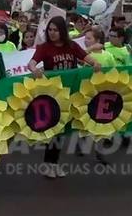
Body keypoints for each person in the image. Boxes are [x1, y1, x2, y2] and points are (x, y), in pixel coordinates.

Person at [28, 16, 101, 179]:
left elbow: (87, 59)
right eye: (50, 30)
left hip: (71, 94)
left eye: (56, 30)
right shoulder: (44, 47)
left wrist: (95, 63)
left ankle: (53, 164)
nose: (53, 33)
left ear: (62, 31)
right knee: (55, 129)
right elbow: (31, 63)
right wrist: (34, 69)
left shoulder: (72, 46)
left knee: (62, 131)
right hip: (53, 95)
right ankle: (49, 165)